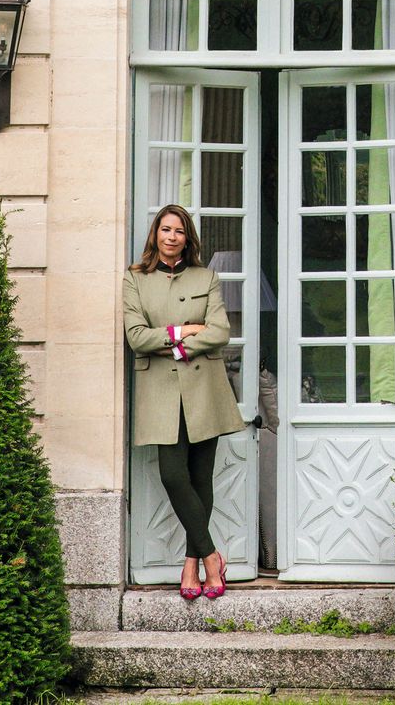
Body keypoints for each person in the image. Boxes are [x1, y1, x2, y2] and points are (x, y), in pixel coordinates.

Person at [123, 204, 246, 600]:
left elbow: (221, 332)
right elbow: (137, 337)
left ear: (187, 238)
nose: (172, 237)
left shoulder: (205, 276)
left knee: (200, 479)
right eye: (165, 229)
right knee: (174, 475)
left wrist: (173, 344)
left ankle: (191, 567)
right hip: (160, 393)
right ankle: (212, 557)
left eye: (179, 231)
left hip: (204, 390)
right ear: (155, 235)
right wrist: (183, 330)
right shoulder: (135, 279)